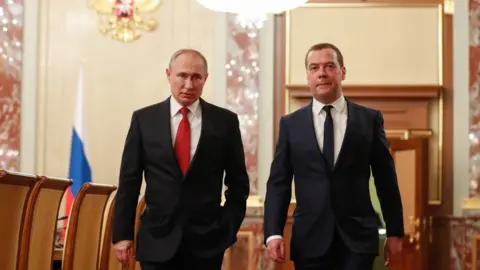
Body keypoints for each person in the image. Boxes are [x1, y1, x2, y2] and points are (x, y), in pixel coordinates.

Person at [263, 43, 404, 270]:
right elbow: (278, 183)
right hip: (309, 240)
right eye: (314, 67)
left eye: (330, 66)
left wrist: (395, 231)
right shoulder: (291, 125)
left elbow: (386, 181)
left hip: (357, 240)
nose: (322, 73)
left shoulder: (369, 120)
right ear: (308, 76)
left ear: (342, 72)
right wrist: (272, 233)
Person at [112, 49, 250, 270]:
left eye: (196, 77)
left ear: (206, 78)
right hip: (156, 240)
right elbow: (129, 182)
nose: (188, 84)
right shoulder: (144, 120)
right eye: (182, 76)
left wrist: (227, 227)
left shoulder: (225, 122)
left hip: (207, 242)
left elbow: (238, 183)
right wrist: (122, 234)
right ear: (168, 75)